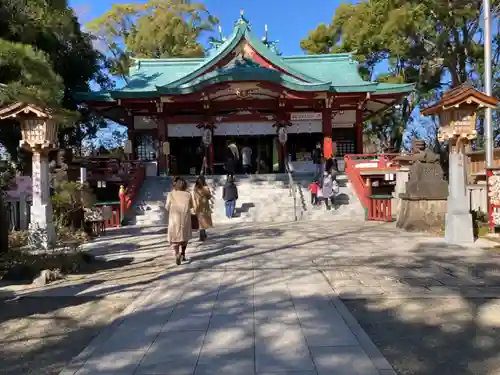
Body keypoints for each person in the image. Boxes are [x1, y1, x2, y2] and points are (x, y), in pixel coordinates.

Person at [165, 177, 194, 265]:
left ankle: (177, 253)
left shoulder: (170, 194)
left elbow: (167, 207)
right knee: (184, 236)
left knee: (175, 238)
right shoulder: (188, 194)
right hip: (185, 218)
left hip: (174, 219)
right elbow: (191, 206)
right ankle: (183, 254)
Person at [192, 175, 213, 241]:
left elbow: (194, 198)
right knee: (204, 221)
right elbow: (209, 197)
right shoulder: (206, 187)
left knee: (200, 221)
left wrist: (194, 206)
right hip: (205, 206)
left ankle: (202, 234)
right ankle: (202, 234)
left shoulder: (195, 189)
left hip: (198, 206)